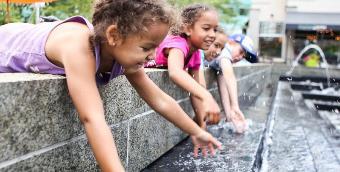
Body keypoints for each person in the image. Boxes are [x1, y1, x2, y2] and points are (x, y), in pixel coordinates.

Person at [0, 0, 222, 171]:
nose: (153, 55)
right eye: (147, 48)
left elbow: (160, 100)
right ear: (114, 35)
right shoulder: (78, 46)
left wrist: (196, 131)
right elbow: (92, 117)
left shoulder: (123, 52)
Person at [145, 4, 221, 130]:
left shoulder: (196, 52)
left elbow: (197, 88)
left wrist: (201, 126)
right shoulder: (177, 44)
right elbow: (175, 72)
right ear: (187, 28)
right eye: (206, 28)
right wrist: (207, 96)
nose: (213, 35)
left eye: (215, 29)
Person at [205, 34, 258, 133]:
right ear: (231, 43)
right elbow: (229, 76)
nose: (240, 57)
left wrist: (230, 116)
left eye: (243, 56)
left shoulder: (221, 61)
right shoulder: (224, 51)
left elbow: (223, 86)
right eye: (241, 52)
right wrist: (235, 106)